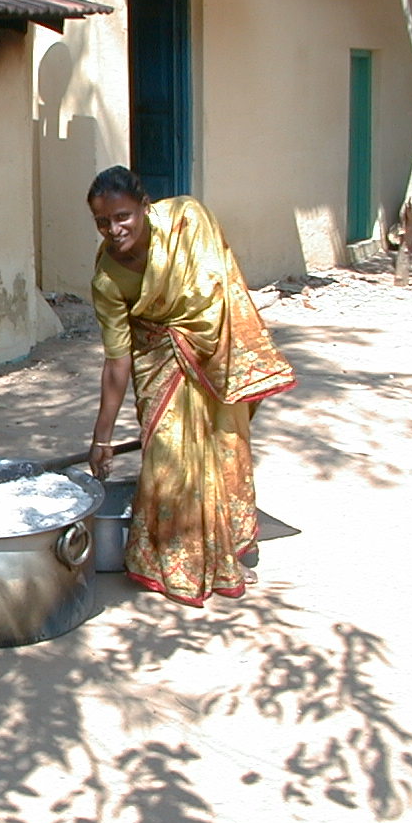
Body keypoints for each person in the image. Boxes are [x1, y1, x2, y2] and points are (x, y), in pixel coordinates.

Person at [85, 166, 295, 606]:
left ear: (145, 207)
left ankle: (225, 554)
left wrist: (209, 345)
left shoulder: (188, 220)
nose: (113, 229)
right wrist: (101, 436)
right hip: (158, 364)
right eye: (102, 222)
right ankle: (176, 564)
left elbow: (221, 286)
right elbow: (117, 361)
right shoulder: (106, 277)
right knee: (168, 459)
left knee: (222, 451)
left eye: (123, 216)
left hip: (212, 354)